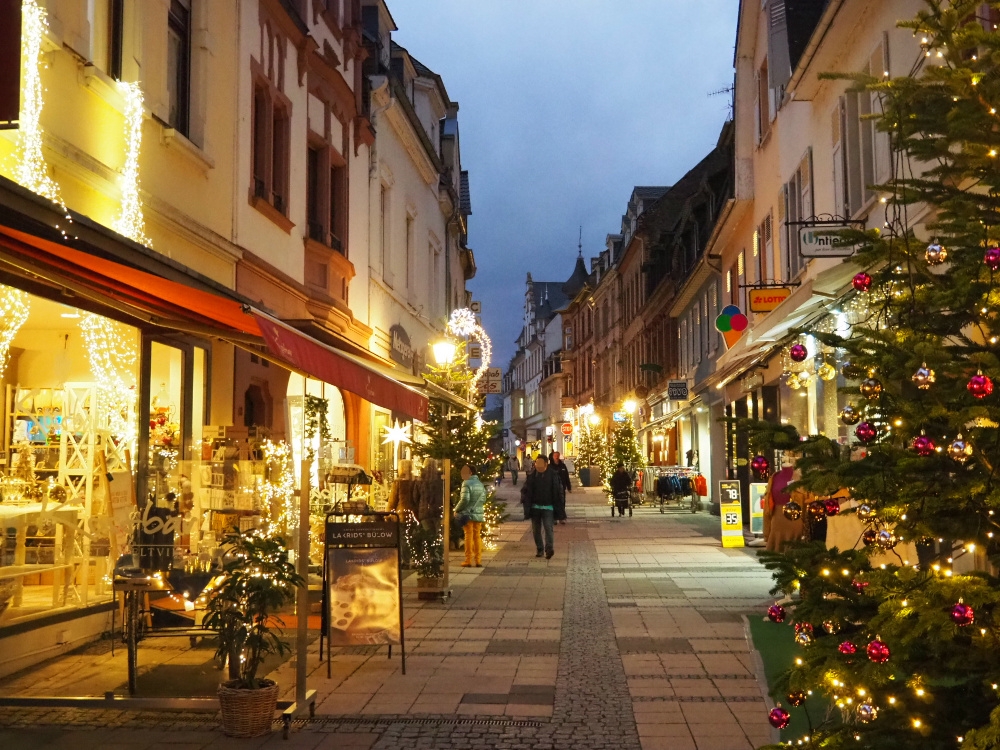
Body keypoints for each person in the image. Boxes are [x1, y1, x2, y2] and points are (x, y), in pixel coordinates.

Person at [520, 456, 561, 559]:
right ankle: (540, 549)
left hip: (548, 507)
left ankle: (549, 549)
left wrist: (559, 506)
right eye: (536, 463)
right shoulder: (532, 476)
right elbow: (525, 490)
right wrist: (524, 500)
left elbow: (558, 491)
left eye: (540, 463)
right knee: (536, 530)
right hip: (535, 508)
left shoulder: (553, 475)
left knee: (548, 528)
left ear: (546, 464)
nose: (537, 465)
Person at [454, 464, 486, 567]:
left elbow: (465, 499)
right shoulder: (480, 484)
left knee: (468, 536)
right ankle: (478, 560)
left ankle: (468, 560)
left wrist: (457, 509)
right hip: (478, 514)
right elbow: (483, 499)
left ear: (470, 472)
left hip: (467, 514)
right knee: (477, 536)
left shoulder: (466, 483)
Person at [549, 451, 571, 525]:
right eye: (555, 456)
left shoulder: (563, 466)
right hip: (552, 488)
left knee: (562, 502)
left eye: (557, 456)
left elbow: (566, 477)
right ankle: (554, 518)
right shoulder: (550, 466)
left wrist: (569, 487)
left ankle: (561, 518)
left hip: (561, 487)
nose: (556, 457)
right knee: (553, 502)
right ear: (553, 457)